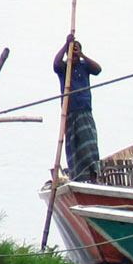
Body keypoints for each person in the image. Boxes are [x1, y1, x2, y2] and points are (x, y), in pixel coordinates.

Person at [52, 34, 102, 182]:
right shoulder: (64, 68)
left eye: (75, 52)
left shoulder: (84, 66)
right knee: (74, 148)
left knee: (89, 147)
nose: (73, 56)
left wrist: (81, 55)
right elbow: (55, 64)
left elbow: (98, 69)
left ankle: (93, 176)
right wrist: (65, 44)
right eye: (71, 53)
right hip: (70, 114)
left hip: (84, 112)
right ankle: (78, 178)